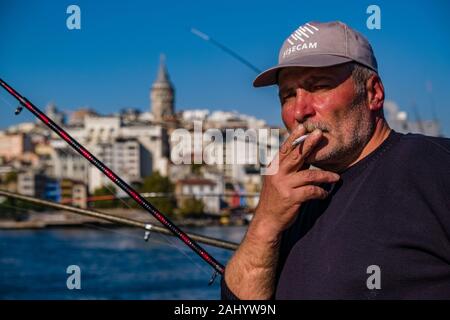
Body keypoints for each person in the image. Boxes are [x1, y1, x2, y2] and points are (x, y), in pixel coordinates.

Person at [221, 21, 450, 299]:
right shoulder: (292, 199)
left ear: (373, 93)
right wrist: (264, 224)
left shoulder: (435, 166)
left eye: (319, 87)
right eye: (288, 95)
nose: (299, 111)